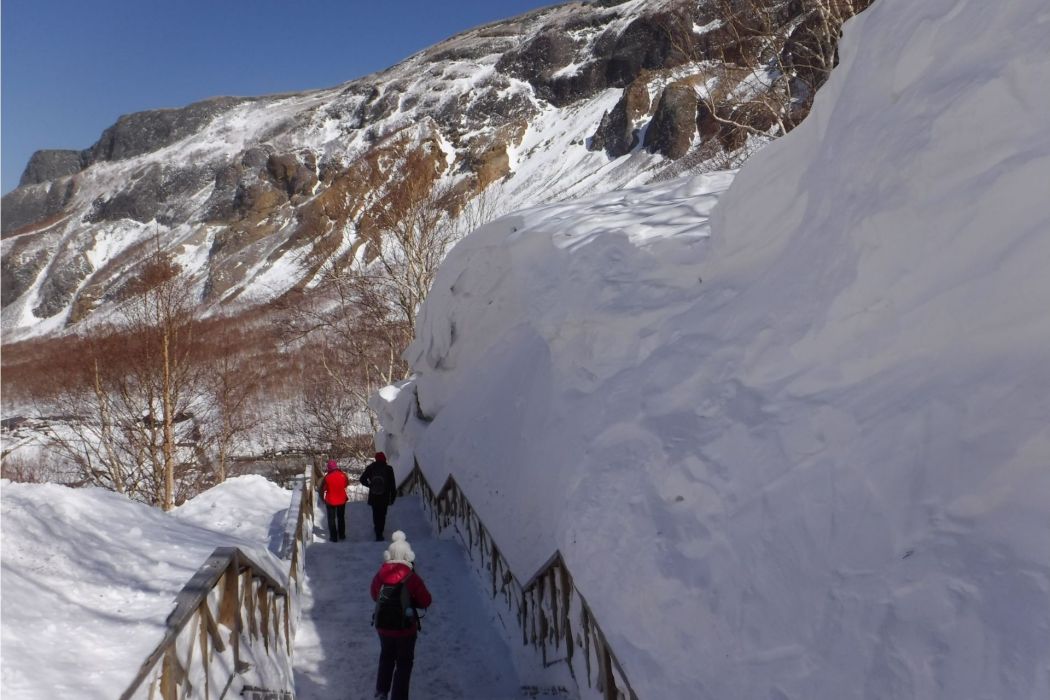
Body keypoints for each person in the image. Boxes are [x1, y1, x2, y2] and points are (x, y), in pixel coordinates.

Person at [370, 531, 431, 700]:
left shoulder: (380, 576)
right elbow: (426, 600)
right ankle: (399, 696)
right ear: (408, 556)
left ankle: (381, 691)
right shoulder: (412, 577)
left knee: (386, 657)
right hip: (405, 628)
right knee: (404, 663)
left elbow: (375, 596)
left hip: (383, 626)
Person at [360, 451, 397, 541]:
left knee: (375, 514)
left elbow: (362, 479)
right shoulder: (389, 469)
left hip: (374, 495)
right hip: (385, 495)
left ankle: (377, 532)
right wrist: (393, 497)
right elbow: (392, 484)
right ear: (384, 458)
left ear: (376, 459)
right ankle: (380, 532)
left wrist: (370, 485)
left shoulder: (371, 467)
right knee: (382, 514)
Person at [319, 459, 349, 542]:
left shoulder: (327, 477)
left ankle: (334, 537)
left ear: (329, 468)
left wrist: (322, 499)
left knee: (331, 519)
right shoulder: (343, 475)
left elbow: (323, 489)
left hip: (330, 500)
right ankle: (342, 535)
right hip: (342, 499)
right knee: (341, 517)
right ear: (336, 466)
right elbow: (346, 484)